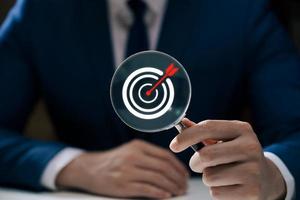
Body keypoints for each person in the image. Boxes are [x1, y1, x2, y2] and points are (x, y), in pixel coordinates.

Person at [0, 0, 299, 199]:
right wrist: (73, 165)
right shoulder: (40, 11)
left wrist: (272, 173)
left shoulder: (242, 10)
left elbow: (294, 131)